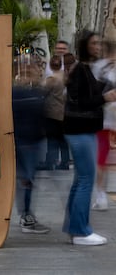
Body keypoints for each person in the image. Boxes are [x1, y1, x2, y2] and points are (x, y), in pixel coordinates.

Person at [63, 30, 116, 246]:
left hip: (82, 130)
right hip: (80, 130)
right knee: (86, 180)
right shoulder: (80, 70)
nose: (97, 47)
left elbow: (91, 93)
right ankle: (81, 231)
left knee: (80, 181)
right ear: (85, 45)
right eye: (94, 43)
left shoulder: (84, 70)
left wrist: (106, 88)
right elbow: (81, 102)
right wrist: (104, 96)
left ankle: (75, 227)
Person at [12, 57, 50, 234]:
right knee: (26, 180)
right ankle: (26, 217)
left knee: (28, 180)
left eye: (32, 70)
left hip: (34, 142)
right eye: (26, 71)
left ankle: (27, 215)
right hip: (23, 143)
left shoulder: (37, 91)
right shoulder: (17, 92)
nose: (30, 74)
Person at [90, 40, 116, 210]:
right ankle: (101, 195)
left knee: (100, 160)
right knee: (102, 159)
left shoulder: (98, 67)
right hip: (109, 119)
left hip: (104, 119)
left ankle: (101, 195)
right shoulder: (102, 68)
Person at [39, 40, 72, 170]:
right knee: (61, 138)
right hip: (61, 109)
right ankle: (63, 161)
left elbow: (44, 89)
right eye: (58, 48)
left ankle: (51, 161)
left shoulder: (56, 75)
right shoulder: (62, 73)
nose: (60, 50)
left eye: (63, 48)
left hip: (55, 109)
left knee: (53, 137)